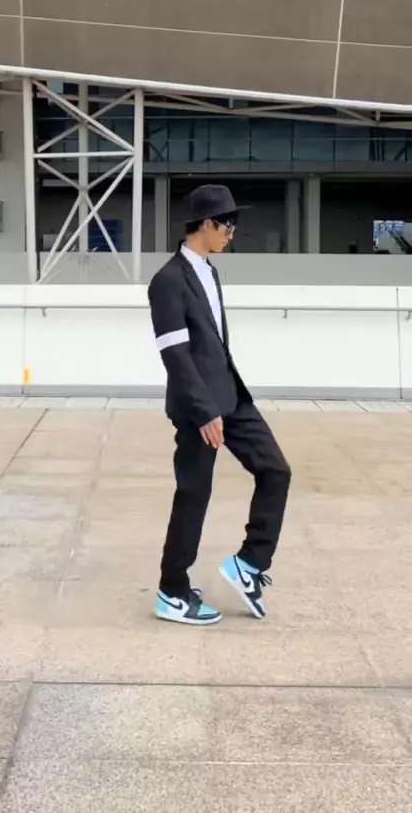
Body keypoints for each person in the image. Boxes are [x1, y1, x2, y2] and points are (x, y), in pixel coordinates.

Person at [148, 184, 291, 625]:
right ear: (206, 224)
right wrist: (204, 410)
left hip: (232, 396)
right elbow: (175, 355)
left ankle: (249, 563)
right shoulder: (167, 281)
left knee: (275, 470)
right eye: (227, 225)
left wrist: (223, 401)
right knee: (194, 494)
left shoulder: (209, 272)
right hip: (199, 407)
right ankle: (172, 591)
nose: (232, 233)